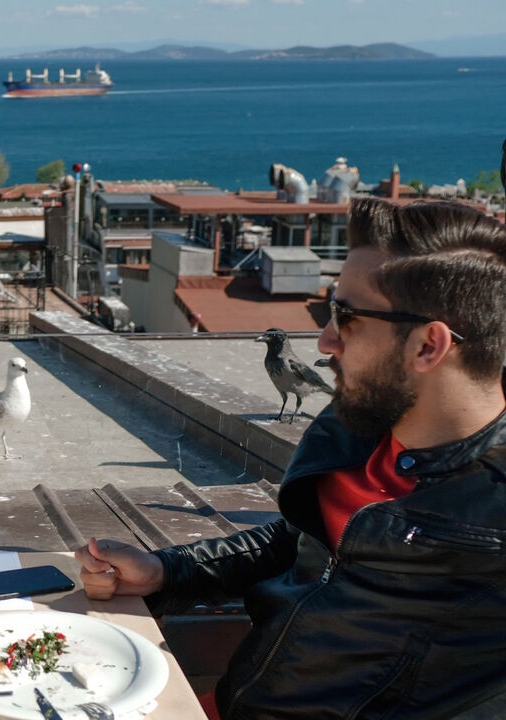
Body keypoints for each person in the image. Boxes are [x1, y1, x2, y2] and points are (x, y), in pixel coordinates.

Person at [78, 198, 506, 719]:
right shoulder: (359, 426)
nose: (324, 341)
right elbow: (301, 540)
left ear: (427, 347)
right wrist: (168, 571)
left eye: (345, 317)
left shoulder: (491, 517)